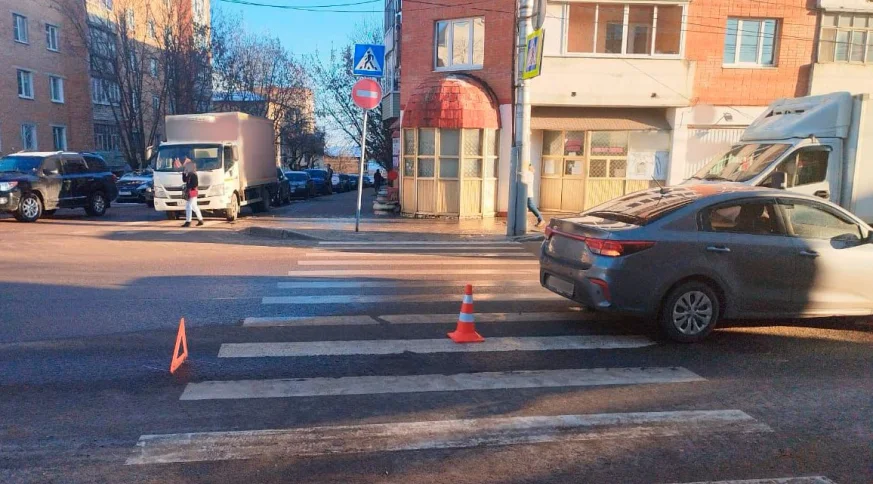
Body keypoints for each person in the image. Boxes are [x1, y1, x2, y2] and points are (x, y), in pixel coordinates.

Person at [181, 160, 204, 227]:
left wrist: (188, 186)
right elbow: (184, 180)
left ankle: (188, 221)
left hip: (192, 192)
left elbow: (195, 184)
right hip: (191, 192)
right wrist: (184, 173)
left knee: (189, 206)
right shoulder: (190, 174)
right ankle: (200, 219)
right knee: (194, 206)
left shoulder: (193, 175)